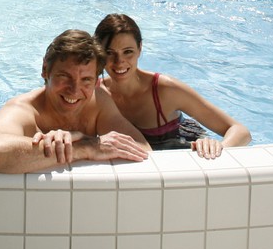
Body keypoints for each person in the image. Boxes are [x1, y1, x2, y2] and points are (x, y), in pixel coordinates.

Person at [0, 29, 151, 173]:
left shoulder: (98, 102)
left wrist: (80, 140)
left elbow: (144, 150)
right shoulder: (24, 109)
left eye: (86, 80)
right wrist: (84, 147)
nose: (74, 90)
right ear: (45, 70)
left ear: (97, 82)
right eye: (64, 76)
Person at [94, 13, 251, 158]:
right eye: (110, 53)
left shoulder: (165, 90)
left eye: (128, 51)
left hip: (182, 147)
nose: (119, 62)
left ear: (140, 48)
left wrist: (217, 148)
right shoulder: (94, 93)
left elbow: (241, 131)